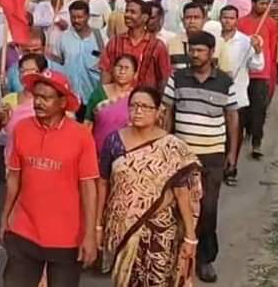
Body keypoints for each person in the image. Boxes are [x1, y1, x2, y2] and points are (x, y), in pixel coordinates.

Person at [0, 70, 98, 287]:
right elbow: (14, 177)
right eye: (37, 96)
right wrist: (5, 217)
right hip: (24, 231)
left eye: (46, 98)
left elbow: (89, 187)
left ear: (63, 102)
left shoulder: (81, 136)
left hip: (67, 237)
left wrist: (90, 233)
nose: (39, 102)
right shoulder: (22, 129)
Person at [96, 86, 201, 285]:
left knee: (157, 280)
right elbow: (103, 183)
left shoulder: (171, 146)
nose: (138, 111)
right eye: (134, 106)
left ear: (158, 111)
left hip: (160, 228)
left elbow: (181, 193)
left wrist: (190, 236)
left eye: (145, 107)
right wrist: (98, 225)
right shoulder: (113, 141)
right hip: (123, 226)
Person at [163, 31, 239, 283]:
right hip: (182, 156)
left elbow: (232, 118)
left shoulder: (225, 82)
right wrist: (163, 147)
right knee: (177, 208)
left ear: (211, 52)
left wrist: (232, 153)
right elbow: (168, 113)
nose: (194, 55)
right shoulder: (177, 78)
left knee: (207, 208)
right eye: (191, 50)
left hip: (213, 156)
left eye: (200, 50)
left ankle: (205, 259)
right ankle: (178, 256)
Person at [0, 53, 48, 183]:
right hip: (14, 169)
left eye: (31, 71)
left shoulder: (52, 102)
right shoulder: (9, 101)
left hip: (45, 169)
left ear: (43, 72)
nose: (26, 75)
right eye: (22, 71)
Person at [218, 5, 265, 185]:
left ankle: (231, 169)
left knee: (234, 136)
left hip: (237, 96)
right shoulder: (214, 40)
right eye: (224, 17)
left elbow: (257, 66)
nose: (227, 21)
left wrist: (258, 50)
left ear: (236, 20)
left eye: (231, 18)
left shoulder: (245, 41)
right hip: (215, 96)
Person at [237, 0, 278, 160]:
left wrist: (271, 70)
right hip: (243, 72)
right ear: (253, 3)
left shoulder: (270, 23)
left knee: (259, 109)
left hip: (262, 73)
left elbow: (273, 47)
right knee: (242, 109)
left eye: (267, 3)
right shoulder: (241, 23)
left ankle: (257, 142)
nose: (265, 6)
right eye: (262, 3)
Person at [99, 0, 171, 91]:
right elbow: (106, 71)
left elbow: (163, 78)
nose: (127, 15)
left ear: (145, 17)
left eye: (133, 12)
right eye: (126, 11)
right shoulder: (115, 41)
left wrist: (156, 101)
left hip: (144, 101)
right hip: (117, 101)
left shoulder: (157, 46)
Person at [52, 0, 104, 106]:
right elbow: (56, 67)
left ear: (88, 16)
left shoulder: (100, 38)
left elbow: (106, 67)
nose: (76, 20)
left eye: (80, 17)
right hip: (70, 97)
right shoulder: (62, 38)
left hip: (93, 97)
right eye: (73, 17)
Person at [84, 54, 138, 152]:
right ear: (113, 70)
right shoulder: (99, 93)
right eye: (119, 67)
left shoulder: (136, 98)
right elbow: (88, 124)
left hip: (126, 155)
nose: (122, 71)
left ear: (135, 74)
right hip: (97, 151)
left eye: (127, 68)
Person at [168, 1, 222, 71]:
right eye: (188, 18)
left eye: (196, 17)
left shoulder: (219, 43)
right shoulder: (171, 43)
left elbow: (226, 73)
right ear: (182, 20)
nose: (192, 21)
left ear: (204, 20)